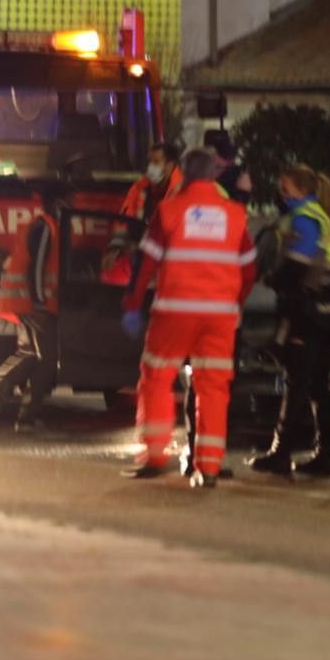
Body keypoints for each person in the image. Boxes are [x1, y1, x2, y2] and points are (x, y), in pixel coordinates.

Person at [121, 148, 257, 487]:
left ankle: (154, 456)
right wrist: (234, 302)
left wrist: (133, 303)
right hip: (220, 318)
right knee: (212, 388)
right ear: (213, 175)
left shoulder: (168, 212)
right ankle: (208, 466)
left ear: (184, 172)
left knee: (156, 377)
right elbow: (250, 269)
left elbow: (145, 265)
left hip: (173, 313)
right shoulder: (235, 215)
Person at [247, 164, 330, 479]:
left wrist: (270, 278)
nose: (281, 195)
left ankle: (281, 452)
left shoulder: (304, 220)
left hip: (306, 312)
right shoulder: (328, 219)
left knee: (297, 381)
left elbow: (296, 268)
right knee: (321, 387)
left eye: (285, 189)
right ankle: (325, 456)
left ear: (301, 191)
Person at [0, 197, 62, 431]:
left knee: (32, 353)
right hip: (32, 304)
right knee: (44, 360)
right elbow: (36, 268)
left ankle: (24, 414)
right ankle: (1, 394)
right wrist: (39, 304)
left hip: (21, 301)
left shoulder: (38, 224)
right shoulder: (46, 227)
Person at [101, 140, 183, 286]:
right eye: (149, 161)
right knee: (111, 275)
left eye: (156, 162)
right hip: (140, 252)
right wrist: (115, 248)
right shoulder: (140, 187)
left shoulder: (182, 191)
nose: (151, 167)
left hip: (170, 258)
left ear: (170, 166)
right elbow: (124, 220)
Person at [204, 129, 253, 205]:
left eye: (231, 155)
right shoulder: (199, 179)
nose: (229, 161)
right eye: (224, 155)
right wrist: (242, 194)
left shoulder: (238, 174)